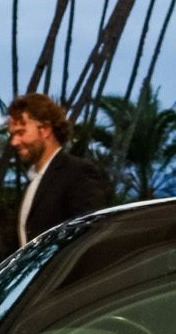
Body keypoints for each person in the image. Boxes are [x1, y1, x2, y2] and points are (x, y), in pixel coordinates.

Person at [7, 93, 110, 244]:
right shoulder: (33, 182)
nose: (14, 142)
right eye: (12, 135)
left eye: (21, 132)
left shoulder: (78, 173)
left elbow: (92, 236)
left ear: (45, 130)